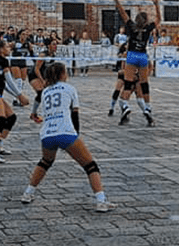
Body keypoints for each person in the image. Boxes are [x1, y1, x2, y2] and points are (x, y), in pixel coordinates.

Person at [20, 62, 116, 212]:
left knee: (45, 162)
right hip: (65, 132)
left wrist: (34, 114)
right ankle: (101, 201)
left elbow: (41, 104)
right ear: (62, 75)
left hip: (47, 134)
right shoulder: (70, 89)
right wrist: (76, 135)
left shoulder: (45, 91)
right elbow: (75, 114)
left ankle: (28, 193)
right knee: (90, 166)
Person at [113, 0, 161, 126]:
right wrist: (157, 5)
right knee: (144, 83)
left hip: (132, 55)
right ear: (145, 21)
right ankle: (147, 108)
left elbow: (123, 13)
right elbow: (159, 20)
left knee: (128, 83)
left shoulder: (131, 26)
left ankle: (125, 106)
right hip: (142, 56)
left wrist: (116, 0)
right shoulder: (148, 28)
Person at [0, 39, 30, 163]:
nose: (10, 49)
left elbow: (4, 85)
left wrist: (18, 95)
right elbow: (9, 80)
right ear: (1, 50)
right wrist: (20, 95)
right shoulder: (2, 61)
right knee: (0, 120)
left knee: (11, 117)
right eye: (7, 47)